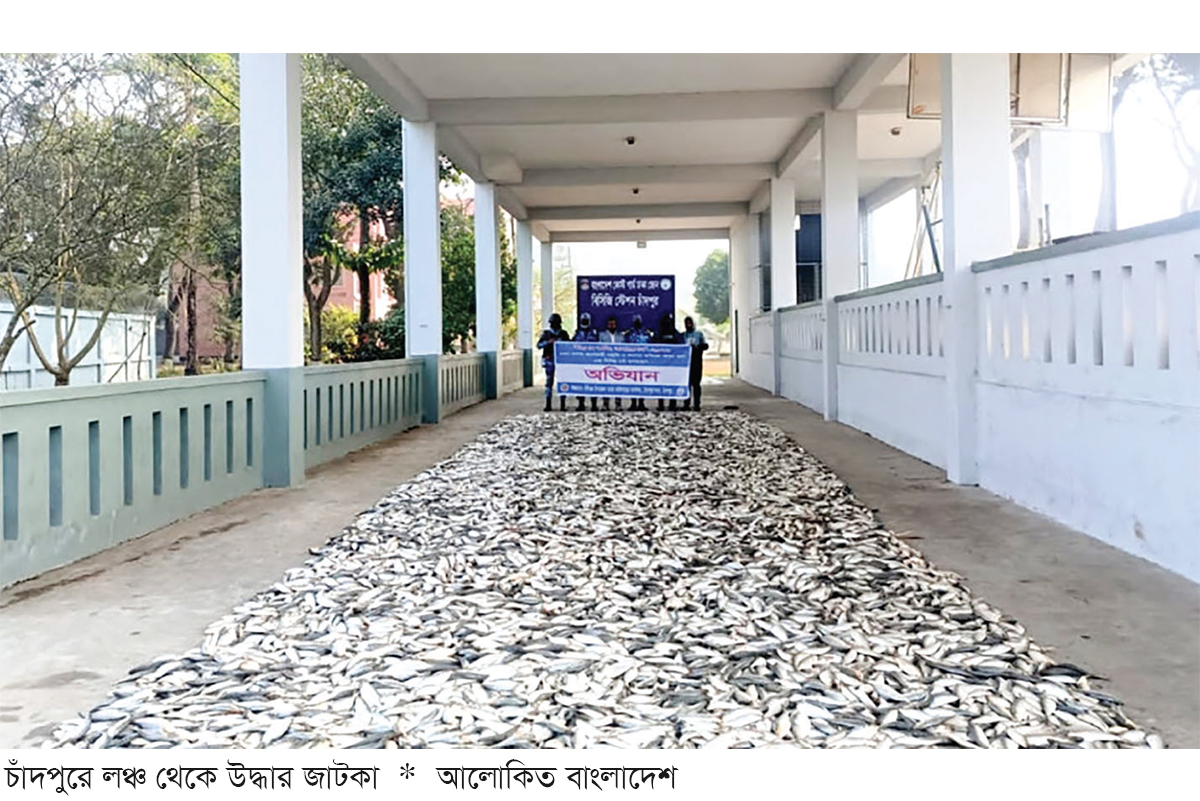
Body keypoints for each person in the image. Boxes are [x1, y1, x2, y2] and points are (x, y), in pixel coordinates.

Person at [537, 313, 570, 411]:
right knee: (549, 383)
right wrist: (548, 342)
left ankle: (563, 404)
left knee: (562, 381)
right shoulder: (546, 334)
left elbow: (569, 346)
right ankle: (548, 404)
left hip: (561, 361)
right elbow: (539, 345)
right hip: (549, 360)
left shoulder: (563, 334)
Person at [624, 315, 653, 410]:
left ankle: (641, 403)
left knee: (642, 382)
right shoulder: (629, 333)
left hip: (643, 361)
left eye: (638, 321)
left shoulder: (646, 332)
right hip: (632, 361)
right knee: (632, 382)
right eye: (636, 321)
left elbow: (650, 345)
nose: (637, 323)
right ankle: (633, 403)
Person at [573, 312, 600, 411]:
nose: (584, 323)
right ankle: (581, 403)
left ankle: (594, 404)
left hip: (592, 362)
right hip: (580, 362)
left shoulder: (594, 333)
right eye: (583, 321)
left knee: (593, 383)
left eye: (586, 321)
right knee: (580, 383)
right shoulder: (577, 333)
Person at [655, 313, 683, 411]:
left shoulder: (675, 333)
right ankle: (661, 404)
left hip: (673, 364)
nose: (667, 324)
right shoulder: (658, 334)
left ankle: (672, 404)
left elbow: (681, 345)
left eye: (669, 322)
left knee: (673, 384)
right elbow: (654, 345)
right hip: (661, 364)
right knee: (661, 384)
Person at [597, 315, 625, 411]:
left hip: (618, 362)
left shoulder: (621, 336)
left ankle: (618, 404)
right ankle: (605, 403)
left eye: (613, 324)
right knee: (606, 384)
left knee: (618, 384)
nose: (612, 326)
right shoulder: (602, 336)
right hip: (606, 362)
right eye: (610, 324)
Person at [681, 316, 709, 410]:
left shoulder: (699, 334)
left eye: (690, 323)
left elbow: (705, 346)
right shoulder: (683, 335)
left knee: (696, 384)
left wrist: (697, 347)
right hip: (686, 363)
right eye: (687, 323)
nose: (688, 325)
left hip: (696, 361)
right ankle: (686, 404)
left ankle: (697, 404)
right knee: (687, 384)